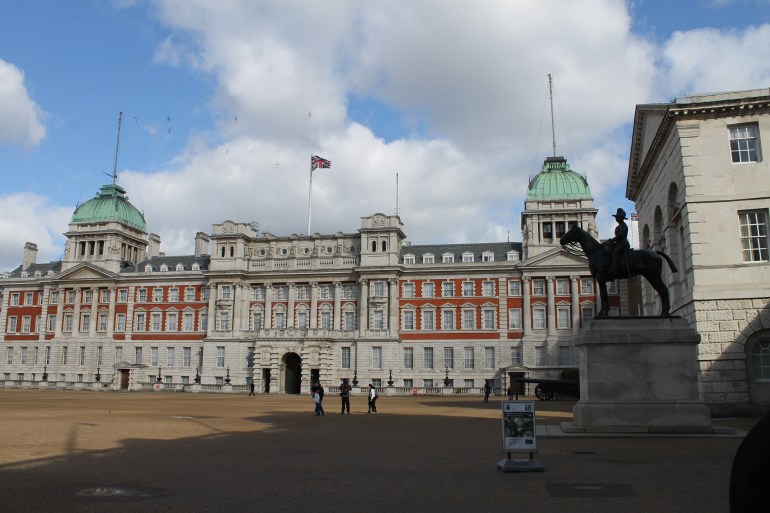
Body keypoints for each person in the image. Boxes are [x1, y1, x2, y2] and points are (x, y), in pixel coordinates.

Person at [605, 208, 630, 275]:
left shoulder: (624, 225)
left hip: (623, 243)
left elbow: (621, 235)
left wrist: (612, 240)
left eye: (617, 217)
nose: (616, 218)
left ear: (621, 218)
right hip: (618, 243)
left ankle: (615, 269)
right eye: (616, 217)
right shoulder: (618, 226)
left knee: (615, 252)